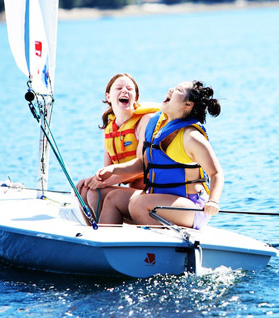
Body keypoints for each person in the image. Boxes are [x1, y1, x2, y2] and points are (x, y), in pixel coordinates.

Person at [96, 80, 223, 230]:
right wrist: (114, 169)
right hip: (159, 200)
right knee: (113, 198)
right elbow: (143, 163)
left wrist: (213, 201)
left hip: (191, 207)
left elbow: (216, 173)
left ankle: (163, 247)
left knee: (139, 204)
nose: (170, 90)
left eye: (178, 90)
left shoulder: (191, 137)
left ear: (187, 105)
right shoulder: (157, 124)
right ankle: (109, 246)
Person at [76, 73, 159, 220]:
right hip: (131, 193)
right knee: (84, 189)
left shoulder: (145, 121)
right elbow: (106, 170)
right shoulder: (109, 127)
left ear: (136, 97)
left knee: (95, 193)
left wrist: (104, 181)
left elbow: (141, 166)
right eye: (119, 88)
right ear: (108, 97)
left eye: (129, 89)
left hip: (150, 192)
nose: (124, 91)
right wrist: (93, 180)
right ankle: (95, 231)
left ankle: (106, 230)